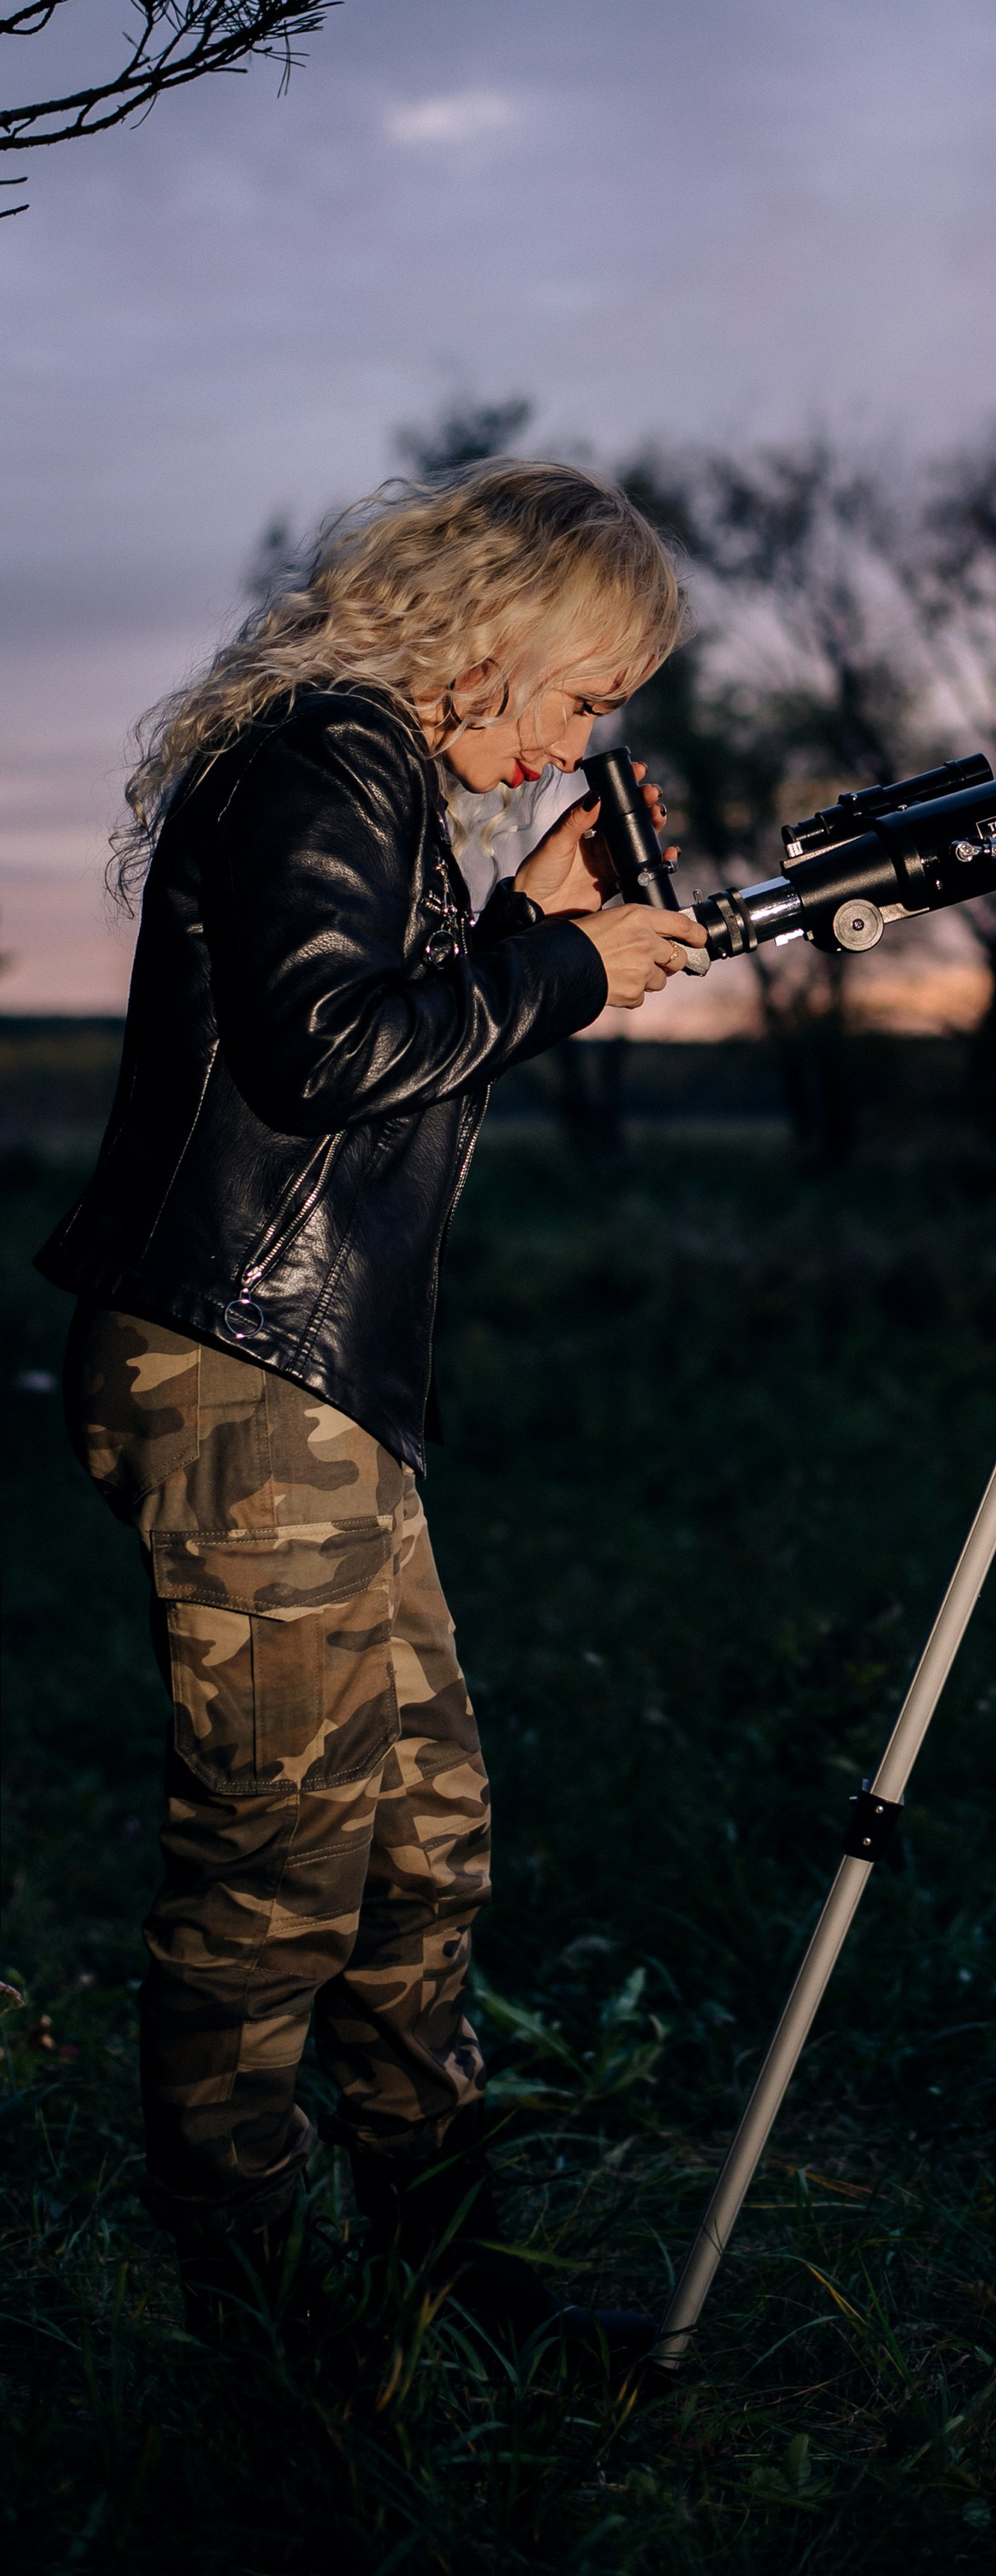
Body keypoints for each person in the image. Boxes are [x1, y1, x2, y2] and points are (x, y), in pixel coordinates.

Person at [34, 457, 704, 2347]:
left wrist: (515, 938)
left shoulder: (373, 782)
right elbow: (328, 1055)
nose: (584, 734)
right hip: (242, 1379)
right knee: (273, 1873)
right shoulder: (324, 755)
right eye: (582, 692)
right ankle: (255, 2326)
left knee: (422, 1835)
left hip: (311, 1386)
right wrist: (565, 969)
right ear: (495, 637)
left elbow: (364, 1037)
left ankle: (439, 2244)